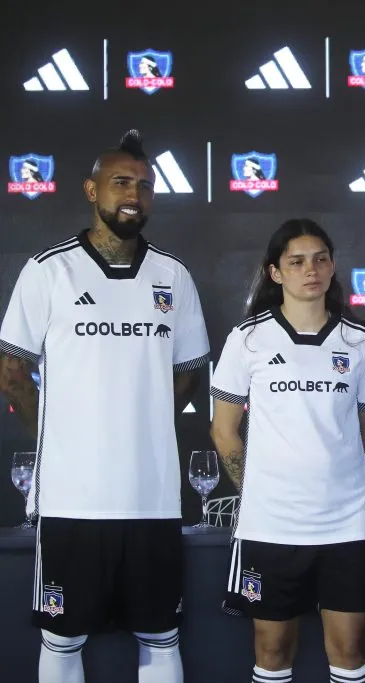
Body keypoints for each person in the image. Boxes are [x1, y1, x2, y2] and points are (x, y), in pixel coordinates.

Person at [0, 129, 210, 683]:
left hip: (153, 497)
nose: (134, 194)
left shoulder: (173, 274)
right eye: (121, 182)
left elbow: (189, 369)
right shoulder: (49, 270)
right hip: (73, 498)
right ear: (91, 191)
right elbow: (12, 368)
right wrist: (60, 426)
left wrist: (141, 419)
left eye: (144, 185)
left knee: (160, 635)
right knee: (63, 638)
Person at [210, 219, 365, 683]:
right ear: (275, 273)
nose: (312, 270)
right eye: (297, 261)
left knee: (349, 650)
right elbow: (224, 430)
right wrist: (257, 491)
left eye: (321, 259)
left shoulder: (359, 341)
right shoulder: (247, 339)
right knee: (272, 651)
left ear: (332, 267)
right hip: (271, 523)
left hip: (347, 522)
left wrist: (334, 475)